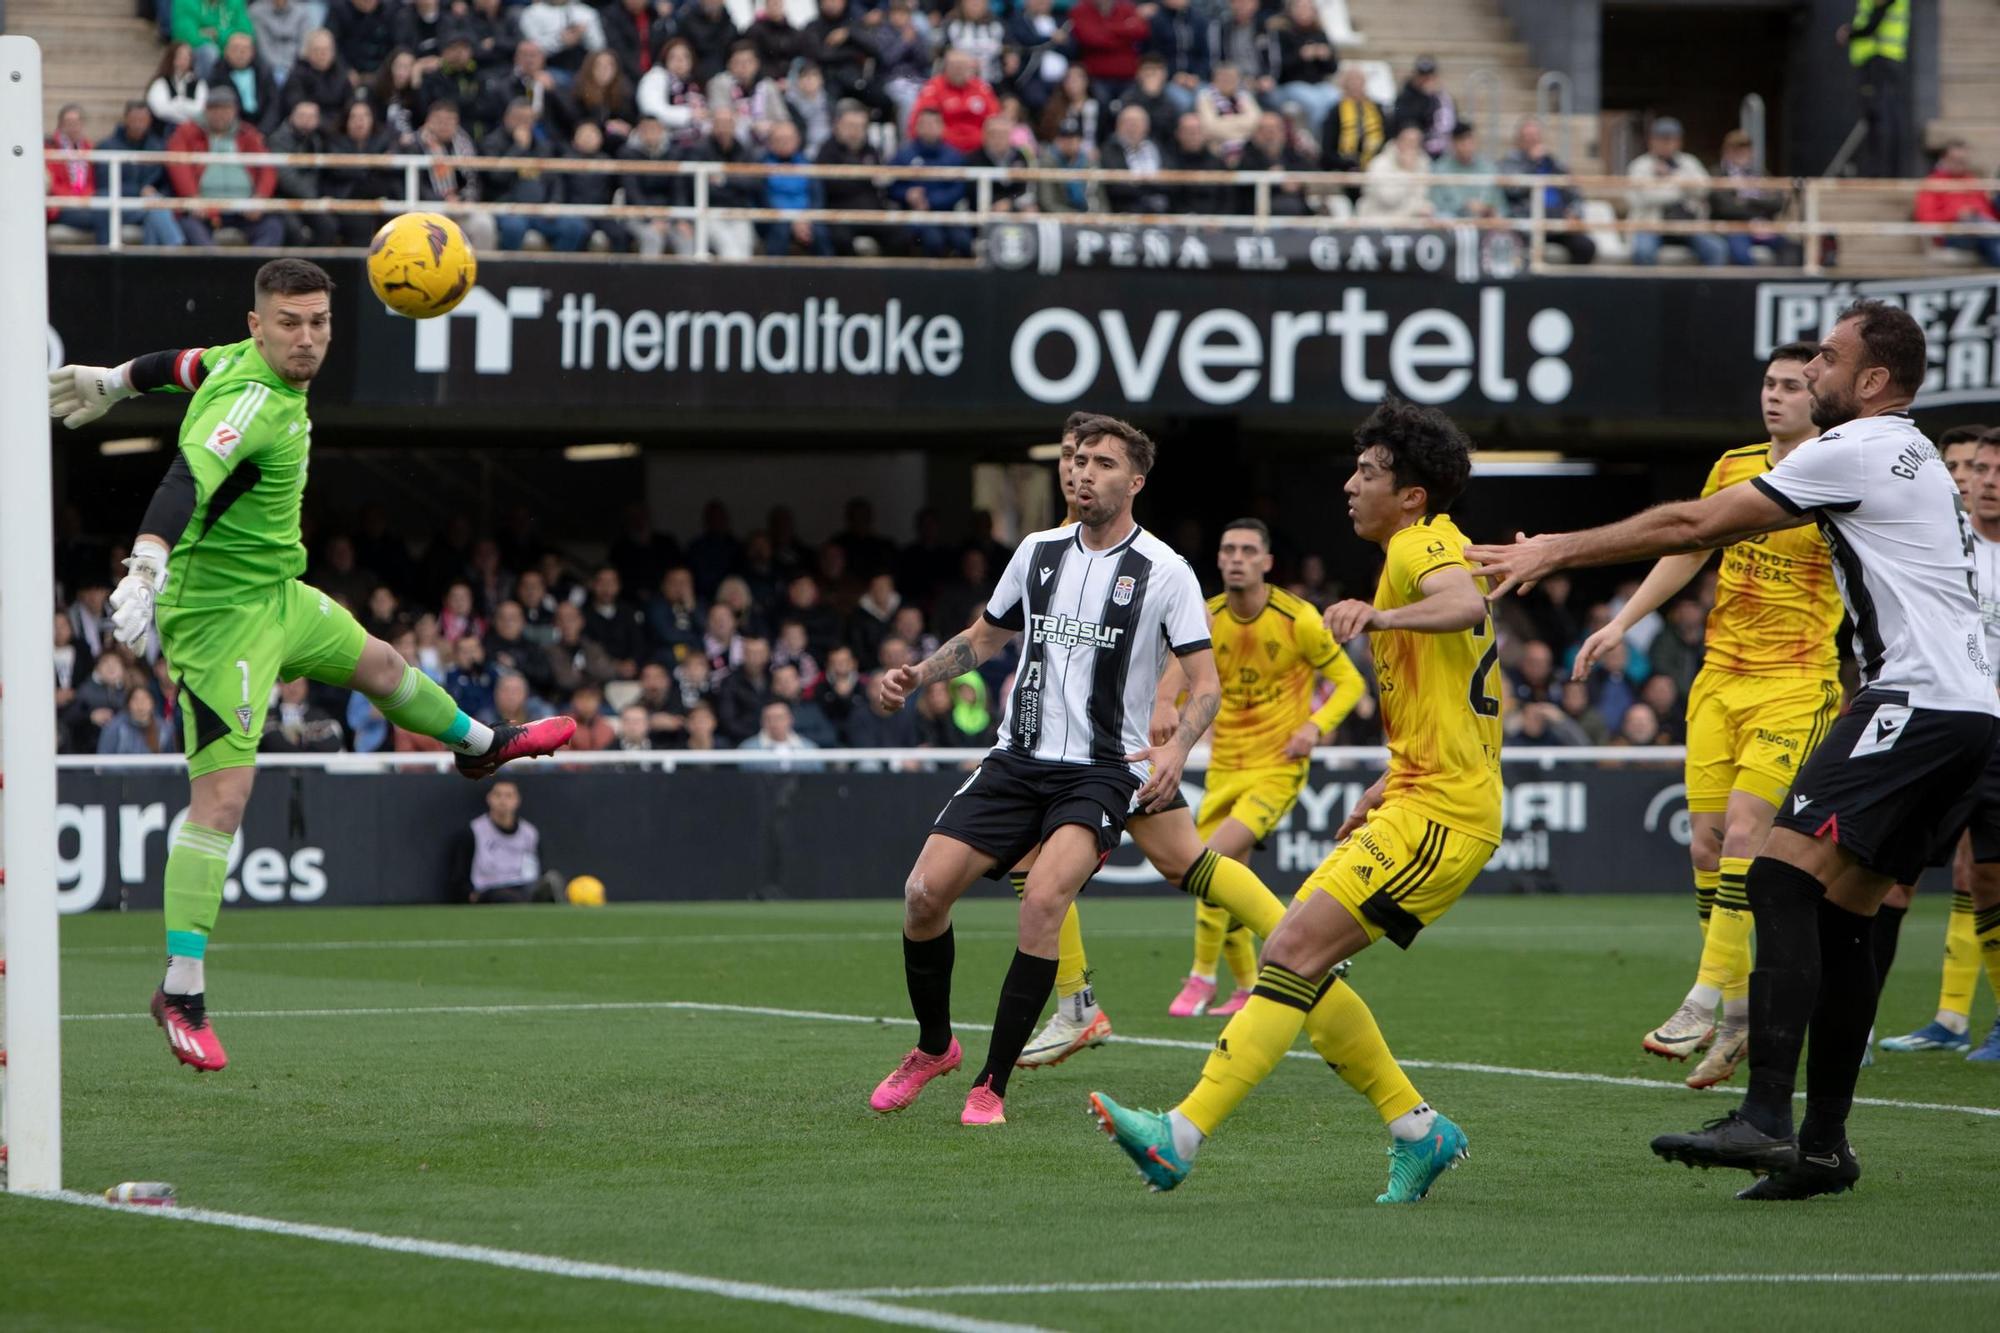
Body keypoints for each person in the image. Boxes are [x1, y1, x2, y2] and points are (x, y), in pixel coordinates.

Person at [1470, 300, 2000, 1200]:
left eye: (1826, 359)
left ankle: (1763, 1115)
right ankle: (1824, 1146)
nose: (1810, 374)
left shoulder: (1859, 446)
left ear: (1872, 381)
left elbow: (1692, 528)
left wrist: (1560, 547)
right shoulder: (1908, 456)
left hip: (1914, 700)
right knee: (1844, 916)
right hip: (1968, 713)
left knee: (1776, 877)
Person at [46, 259, 577, 1075]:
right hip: (218, 620)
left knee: (382, 662)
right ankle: (180, 990)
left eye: (318, 322)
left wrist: (116, 380)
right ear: (259, 325)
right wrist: (144, 568)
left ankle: (479, 743)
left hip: (276, 593)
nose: (306, 338)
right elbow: (187, 479)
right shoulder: (250, 402)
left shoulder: (235, 358)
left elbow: (179, 364)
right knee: (223, 799)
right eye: (289, 322)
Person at [1091, 396, 1497, 1205]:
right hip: (1420, 796)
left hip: (1442, 814)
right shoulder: (1414, 549)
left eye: (1369, 472)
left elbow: (1468, 605)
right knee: (1299, 956)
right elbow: (1464, 693)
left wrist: (1380, 613)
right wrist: (1390, 777)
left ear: (1411, 494)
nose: (1350, 484)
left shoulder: (1421, 545)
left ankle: (1180, 1135)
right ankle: (1417, 1128)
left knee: (1290, 954)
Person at [866, 417, 1219, 1127]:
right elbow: (986, 636)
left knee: (1043, 901)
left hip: (1098, 771)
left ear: (1135, 481)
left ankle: (991, 1083)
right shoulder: (1037, 551)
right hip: (1016, 759)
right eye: (1079, 460)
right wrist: (921, 672)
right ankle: (936, 1047)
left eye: (1103, 464)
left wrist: (1178, 747)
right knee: (921, 895)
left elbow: (1206, 681)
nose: (1083, 473)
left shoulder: (1167, 570)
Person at [1571, 343, 1837, 1088]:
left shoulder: (1841, 472)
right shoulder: (1732, 466)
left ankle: (1704, 995)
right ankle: (1739, 1011)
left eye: (1792, 386)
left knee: (1750, 830)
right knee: (1707, 846)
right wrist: (1622, 622)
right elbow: (1689, 547)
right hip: (1719, 677)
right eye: (1769, 383)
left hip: (1794, 680)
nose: (1776, 396)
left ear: (1820, 399)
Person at [1162, 518, 1367, 1017]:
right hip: (1224, 766)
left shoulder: (1298, 618)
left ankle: (1201, 975)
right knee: (1223, 876)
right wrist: (1169, 711)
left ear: (1267, 562)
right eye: (1228, 549)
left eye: (1248, 550)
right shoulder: (1205, 619)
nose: (1236, 557)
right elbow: (1176, 683)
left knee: (1207, 860)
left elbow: (1350, 683)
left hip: (1276, 768)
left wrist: (1315, 727)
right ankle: (1249, 983)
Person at [1875, 426, 2000, 1058]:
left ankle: (1970, 1020)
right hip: (1939, 722)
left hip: (1990, 728)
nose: (1982, 479)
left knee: (1987, 875)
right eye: (1975, 468)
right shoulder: (1944, 548)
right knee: (1892, 875)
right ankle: (1868, 1016)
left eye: (1987, 467)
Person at [167, 88, 284, 249]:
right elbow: (178, 164)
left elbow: (267, 167)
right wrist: (192, 196)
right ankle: (216, 271)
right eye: (215, 109)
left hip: (244, 209)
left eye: (226, 109)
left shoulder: (248, 133)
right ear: (206, 110)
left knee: (273, 227)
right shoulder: (186, 132)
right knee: (191, 229)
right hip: (204, 209)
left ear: (235, 111)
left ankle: (253, 271)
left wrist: (260, 197)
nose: (220, 114)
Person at [1626, 117, 1727, 267]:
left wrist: (1671, 178)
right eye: (1661, 139)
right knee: (1643, 252)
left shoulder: (1688, 162)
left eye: (1671, 139)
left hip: (1687, 225)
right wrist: (1681, 188)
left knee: (1716, 249)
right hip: (1652, 226)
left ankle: (1705, 290)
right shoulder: (1641, 165)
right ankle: (1650, 291)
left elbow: (1704, 189)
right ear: (1652, 141)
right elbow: (1645, 197)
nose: (1666, 144)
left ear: (1679, 142)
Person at [449, 780, 565, 903]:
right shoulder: (474, 831)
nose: (503, 801)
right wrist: (471, 894)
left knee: (552, 878)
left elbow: (536, 867)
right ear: (489, 799)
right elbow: (460, 874)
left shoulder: (529, 833)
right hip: (490, 890)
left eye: (509, 796)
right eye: (498, 795)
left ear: (517, 800)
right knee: (504, 897)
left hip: (523, 887)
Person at [1499, 116, 1593, 265]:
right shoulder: (1510, 163)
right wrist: (1532, 163)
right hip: (1529, 224)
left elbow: (1574, 192)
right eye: (1528, 137)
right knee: (1523, 250)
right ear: (1518, 140)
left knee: (1585, 247)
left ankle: (1569, 287)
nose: (1533, 141)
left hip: (1558, 222)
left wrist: (1574, 213)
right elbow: (1513, 189)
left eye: (1535, 136)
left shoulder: (1554, 163)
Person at [1839, 0, 1909, 180]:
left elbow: (1873, 22)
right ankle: (1885, 172)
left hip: (1879, 59)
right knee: (1884, 117)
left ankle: (1880, 173)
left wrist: (1850, 33)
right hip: (1886, 59)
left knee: (1880, 118)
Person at [890, 107, 971, 258]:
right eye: (924, 124)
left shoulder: (953, 156)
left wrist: (930, 201)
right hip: (914, 214)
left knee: (963, 241)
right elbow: (891, 186)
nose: (928, 128)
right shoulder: (903, 154)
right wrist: (907, 194)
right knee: (933, 240)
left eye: (933, 124)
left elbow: (959, 189)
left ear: (942, 127)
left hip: (947, 214)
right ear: (917, 126)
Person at [817, 101, 894, 257]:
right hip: (840, 213)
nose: (855, 131)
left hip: (871, 212)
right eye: (850, 126)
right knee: (840, 239)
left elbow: (880, 182)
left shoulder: (870, 150)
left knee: (899, 235)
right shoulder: (827, 151)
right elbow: (830, 186)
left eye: (860, 127)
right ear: (838, 125)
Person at [1711, 128, 1797, 266]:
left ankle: (1780, 286)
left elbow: (1777, 202)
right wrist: (1756, 211)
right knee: (1740, 254)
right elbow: (1726, 208)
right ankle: (1749, 288)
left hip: (1762, 226)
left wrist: (1747, 201)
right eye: (1736, 149)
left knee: (1792, 247)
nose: (1741, 153)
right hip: (1735, 227)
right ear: (1726, 151)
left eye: (1745, 148)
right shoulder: (1719, 173)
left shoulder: (1759, 172)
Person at [1913, 139, 2000, 267]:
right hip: (1952, 234)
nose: (1960, 164)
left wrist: (1974, 213)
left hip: (1981, 231)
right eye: (1955, 160)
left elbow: (1989, 213)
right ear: (1944, 159)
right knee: (1978, 226)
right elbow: (1926, 218)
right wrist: (1957, 214)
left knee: (1983, 230)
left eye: (1963, 161)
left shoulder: (1972, 180)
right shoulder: (1933, 183)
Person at [760, 119, 832, 255]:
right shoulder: (760, 167)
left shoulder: (808, 164)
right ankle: (771, 275)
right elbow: (764, 199)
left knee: (821, 233)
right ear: (770, 142)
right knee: (779, 232)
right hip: (776, 218)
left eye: (788, 139)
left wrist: (806, 218)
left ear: (797, 140)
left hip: (807, 218)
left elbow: (817, 197)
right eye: (779, 139)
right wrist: (791, 220)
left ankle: (829, 275)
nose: (784, 143)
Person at [908, 47, 998, 155]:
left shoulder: (981, 88)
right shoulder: (934, 88)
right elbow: (920, 121)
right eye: (955, 67)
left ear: (971, 69)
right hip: (943, 150)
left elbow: (994, 118)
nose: (958, 71)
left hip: (980, 150)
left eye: (962, 67)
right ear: (946, 68)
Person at [1272, 0, 1337, 130]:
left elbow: (1333, 68)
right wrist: (1300, 56)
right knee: (1314, 103)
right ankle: (1321, 142)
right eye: (1300, 8)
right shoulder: (1281, 33)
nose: (1304, 12)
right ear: (1291, 11)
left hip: (1318, 84)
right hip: (1290, 85)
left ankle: (1334, 140)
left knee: (1336, 99)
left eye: (1307, 8)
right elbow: (1277, 68)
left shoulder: (1320, 34)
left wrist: (1326, 57)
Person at [1357, 121, 1434, 221]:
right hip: (1378, 219)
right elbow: (1388, 199)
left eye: (1416, 142)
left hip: (1411, 221)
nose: (1412, 146)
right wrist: (1407, 172)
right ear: (1397, 141)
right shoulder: (1380, 164)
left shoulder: (1423, 162)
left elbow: (1423, 195)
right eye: (1408, 141)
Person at [1100, 104, 1169, 214]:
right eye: (1128, 123)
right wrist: (1146, 183)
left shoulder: (1155, 147)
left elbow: (1170, 177)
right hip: (1125, 209)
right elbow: (1115, 186)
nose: (1132, 127)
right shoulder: (1110, 150)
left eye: (1137, 123)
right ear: (1118, 126)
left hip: (1158, 207)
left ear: (1147, 126)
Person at [1429, 121, 1504, 220]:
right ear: (1453, 143)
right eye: (1462, 141)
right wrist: (1463, 207)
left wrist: (1488, 209)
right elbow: (1436, 206)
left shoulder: (1489, 168)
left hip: (1486, 225)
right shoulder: (1439, 169)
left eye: (1470, 141)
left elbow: (1501, 206)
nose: (1467, 146)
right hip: (1451, 226)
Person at [1319, 65, 1384, 176]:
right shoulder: (1335, 111)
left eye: (1359, 80)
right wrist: (1346, 164)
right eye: (1351, 81)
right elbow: (1328, 148)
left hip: (1374, 166)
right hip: (1343, 167)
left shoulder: (1377, 108)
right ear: (1344, 85)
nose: (1355, 85)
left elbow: (1385, 137)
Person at [279, 29, 354, 123]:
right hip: (310, 128)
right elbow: (296, 106)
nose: (322, 54)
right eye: (317, 50)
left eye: (326, 50)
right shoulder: (297, 75)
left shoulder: (341, 73)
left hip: (339, 127)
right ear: (307, 52)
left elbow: (350, 103)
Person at [1037, 116, 1104, 214]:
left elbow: (1100, 199)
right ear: (1058, 140)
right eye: (1064, 138)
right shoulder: (1048, 162)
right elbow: (1047, 202)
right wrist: (1076, 217)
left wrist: (1101, 219)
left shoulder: (1089, 163)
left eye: (1073, 138)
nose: (1069, 142)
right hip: (1059, 218)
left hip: (1088, 217)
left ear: (1080, 140)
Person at [175, 0, 255, 80]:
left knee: (244, 49)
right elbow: (187, 38)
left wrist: (217, 34)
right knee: (210, 52)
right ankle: (209, 90)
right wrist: (230, 40)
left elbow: (246, 34)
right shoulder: (185, 2)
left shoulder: (235, 2)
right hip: (198, 56)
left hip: (230, 51)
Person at [1392, 54, 1454, 158]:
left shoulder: (1442, 97)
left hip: (1441, 151)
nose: (1426, 79)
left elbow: (1449, 121)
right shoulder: (1404, 96)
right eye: (1422, 75)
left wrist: (1435, 97)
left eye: (1429, 75)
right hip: (1416, 151)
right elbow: (1405, 122)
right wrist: (1427, 98)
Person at [260, 676, 344, 752]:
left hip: (311, 768)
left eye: (298, 684)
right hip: (274, 768)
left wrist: (301, 739)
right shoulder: (265, 717)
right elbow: (266, 743)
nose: (292, 689)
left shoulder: (321, 718)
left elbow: (333, 746)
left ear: (306, 687)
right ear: (280, 687)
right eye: (288, 684)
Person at [98, 686, 180, 756]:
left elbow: (172, 765)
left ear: (152, 703)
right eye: (135, 699)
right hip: (121, 775)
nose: (140, 704)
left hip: (156, 774)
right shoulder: (114, 727)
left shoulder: (165, 729)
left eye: (145, 699)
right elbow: (104, 760)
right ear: (128, 704)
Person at [249, 0, 314, 84]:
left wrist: (291, 67)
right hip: (268, 67)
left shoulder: (302, 11)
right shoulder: (256, 11)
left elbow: (303, 44)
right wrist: (279, 68)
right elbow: (263, 47)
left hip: (296, 65)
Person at [149, 42, 210, 128]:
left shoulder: (199, 84)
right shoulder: (161, 83)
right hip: (166, 128)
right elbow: (160, 110)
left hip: (192, 128)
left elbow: (200, 109)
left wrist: (178, 103)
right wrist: (185, 107)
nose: (184, 60)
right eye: (180, 56)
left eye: (187, 56)